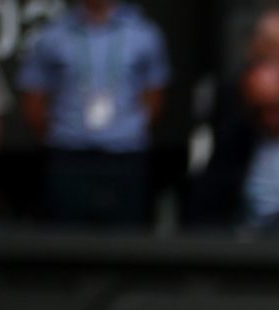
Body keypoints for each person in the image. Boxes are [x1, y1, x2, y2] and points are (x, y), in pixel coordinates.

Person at [13, 0, 169, 226]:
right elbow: (34, 92)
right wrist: (54, 134)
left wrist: (132, 128)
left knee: (126, 241)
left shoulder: (144, 33)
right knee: (65, 240)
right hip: (68, 155)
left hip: (125, 156)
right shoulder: (53, 35)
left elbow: (154, 91)